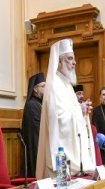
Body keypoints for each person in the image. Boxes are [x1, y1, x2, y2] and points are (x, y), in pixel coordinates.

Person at [35, 39, 97, 180]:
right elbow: (58, 119)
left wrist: (83, 111)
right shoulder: (54, 85)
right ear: (59, 62)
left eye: (74, 59)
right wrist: (78, 111)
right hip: (62, 163)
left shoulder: (67, 84)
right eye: (70, 59)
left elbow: (72, 112)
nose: (74, 63)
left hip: (75, 164)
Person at [21, 73, 44, 177]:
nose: (45, 89)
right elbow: (36, 131)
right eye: (43, 86)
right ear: (35, 89)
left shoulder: (41, 103)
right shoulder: (32, 105)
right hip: (36, 147)